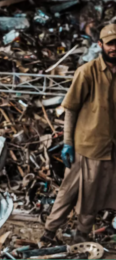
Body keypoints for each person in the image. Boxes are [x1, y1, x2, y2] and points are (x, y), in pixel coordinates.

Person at [41, 24, 116, 243]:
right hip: (85, 146)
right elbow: (71, 109)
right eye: (110, 44)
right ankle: (48, 234)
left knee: (93, 197)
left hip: (109, 149)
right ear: (100, 45)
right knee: (68, 194)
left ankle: (80, 237)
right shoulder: (88, 72)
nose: (115, 49)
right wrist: (67, 143)